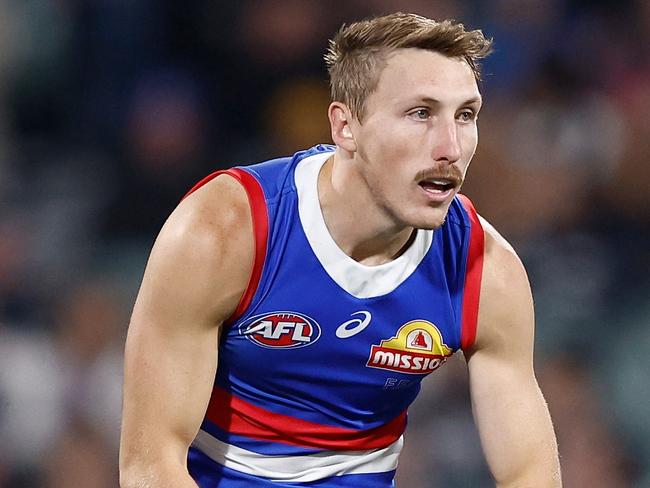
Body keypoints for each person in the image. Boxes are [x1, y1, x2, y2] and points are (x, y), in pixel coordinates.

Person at [119, 12, 561, 488]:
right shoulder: (225, 230)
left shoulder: (485, 268)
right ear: (346, 126)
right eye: (420, 113)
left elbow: (529, 474)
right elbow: (150, 465)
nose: (450, 146)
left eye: (465, 115)